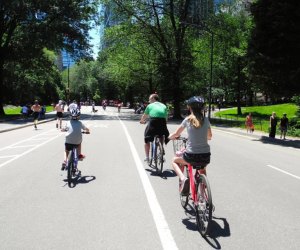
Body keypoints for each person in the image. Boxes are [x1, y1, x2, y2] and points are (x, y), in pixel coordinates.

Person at [168, 96, 212, 194]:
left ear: (190, 108)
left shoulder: (187, 120)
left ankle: (183, 178)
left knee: (174, 160)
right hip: (205, 155)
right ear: (202, 108)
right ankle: (203, 194)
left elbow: (176, 134)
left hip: (191, 155)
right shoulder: (206, 120)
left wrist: (171, 136)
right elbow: (209, 137)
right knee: (202, 168)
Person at [139, 93, 170, 163]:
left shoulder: (150, 105)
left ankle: (147, 157)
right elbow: (166, 118)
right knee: (161, 134)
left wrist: (141, 121)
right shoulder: (164, 105)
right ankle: (161, 148)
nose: (149, 101)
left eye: (149, 99)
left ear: (153, 98)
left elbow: (145, 115)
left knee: (147, 139)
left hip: (153, 122)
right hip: (162, 122)